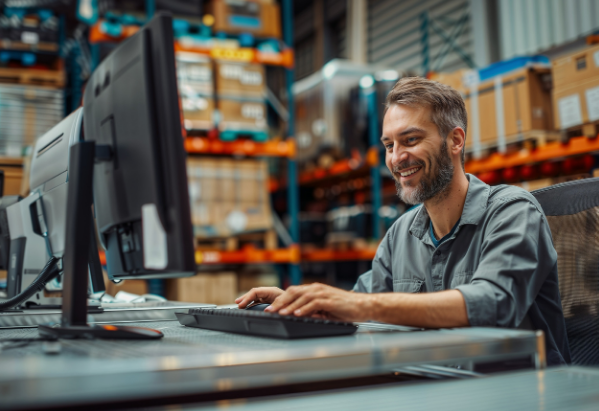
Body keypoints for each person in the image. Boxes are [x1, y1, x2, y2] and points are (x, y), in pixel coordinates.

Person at [237, 76, 570, 366]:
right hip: (435, 393)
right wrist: (303, 304)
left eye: (410, 140)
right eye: (389, 145)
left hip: (518, 399)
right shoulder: (401, 234)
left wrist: (356, 303)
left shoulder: (512, 210)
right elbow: (362, 306)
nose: (396, 158)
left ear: (455, 140)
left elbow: (494, 303)